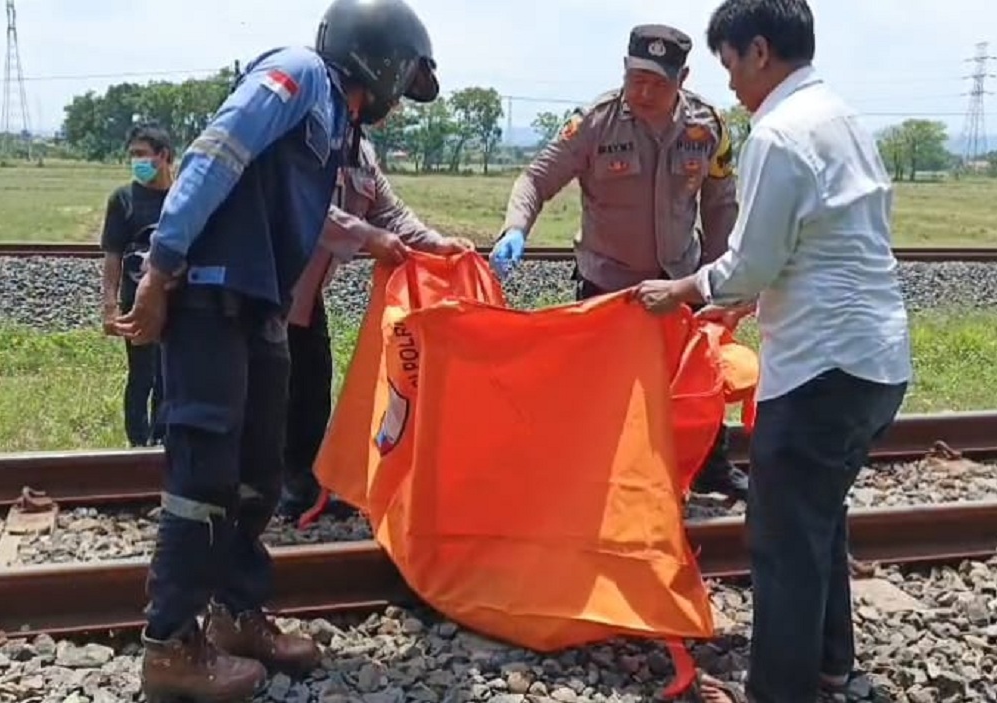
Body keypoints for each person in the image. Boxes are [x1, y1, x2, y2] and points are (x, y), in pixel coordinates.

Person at [111, 0, 440, 699]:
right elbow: (214, 154)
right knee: (204, 476)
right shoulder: (298, 75)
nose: (400, 96)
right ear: (380, 61)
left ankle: (236, 616)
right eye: (404, 76)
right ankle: (170, 647)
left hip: (260, 304)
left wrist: (420, 245)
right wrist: (162, 268)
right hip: (209, 297)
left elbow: (314, 212)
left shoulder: (339, 123)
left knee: (258, 472)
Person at [630, 1, 912, 700]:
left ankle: (779, 690)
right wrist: (745, 294)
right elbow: (824, 240)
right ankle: (831, 665)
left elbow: (750, 261)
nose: (729, 83)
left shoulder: (780, 134)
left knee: (782, 537)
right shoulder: (841, 117)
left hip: (821, 366)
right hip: (877, 361)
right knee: (818, 518)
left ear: (759, 51)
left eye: (729, 64)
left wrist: (686, 289)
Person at [491, 23, 749, 502]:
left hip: (681, 280)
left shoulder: (707, 126)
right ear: (625, 70)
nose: (644, 92)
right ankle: (598, 483)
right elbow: (536, 179)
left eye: (658, 83)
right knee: (600, 391)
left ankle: (709, 468)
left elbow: (720, 205)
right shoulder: (595, 123)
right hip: (608, 285)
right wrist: (515, 229)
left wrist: (717, 282)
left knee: (698, 380)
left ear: (683, 78)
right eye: (636, 79)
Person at [279, 136, 474, 524]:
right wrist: (368, 238)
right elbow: (307, 206)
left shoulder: (361, 153)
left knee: (310, 388)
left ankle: (302, 486)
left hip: (303, 299)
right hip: (262, 290)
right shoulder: (302, 137)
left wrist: (436, 244)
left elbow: (389, 212)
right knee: (267, 393)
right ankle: (254, 493)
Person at [99, 124, 174, 448]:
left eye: (142, 154)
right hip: (136, 303)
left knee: (169, 378)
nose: (137, 162)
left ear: (164, 156)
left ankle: (163, 439)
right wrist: (110, 306)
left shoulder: (182, 198)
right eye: (132, 155)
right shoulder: (123, 199)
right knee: (141, 375)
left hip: (176, 302)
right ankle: (137, 444)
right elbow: (112, 256)